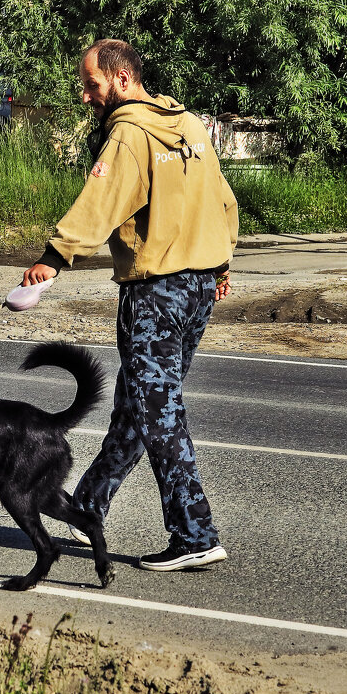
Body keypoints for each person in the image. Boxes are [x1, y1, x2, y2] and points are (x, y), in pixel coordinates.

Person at [20, 38, 238, 572]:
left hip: (157, 291)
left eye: (92, 85)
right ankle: (88, 505)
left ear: (120, 79)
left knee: (158, 411)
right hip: (201, 285)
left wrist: (55, 256)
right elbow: (220, 197)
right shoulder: (186, 124)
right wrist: (222, 261)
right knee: (139, 403)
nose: (87, 96)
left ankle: (195, 535)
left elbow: (101, 201)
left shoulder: (129, 132)